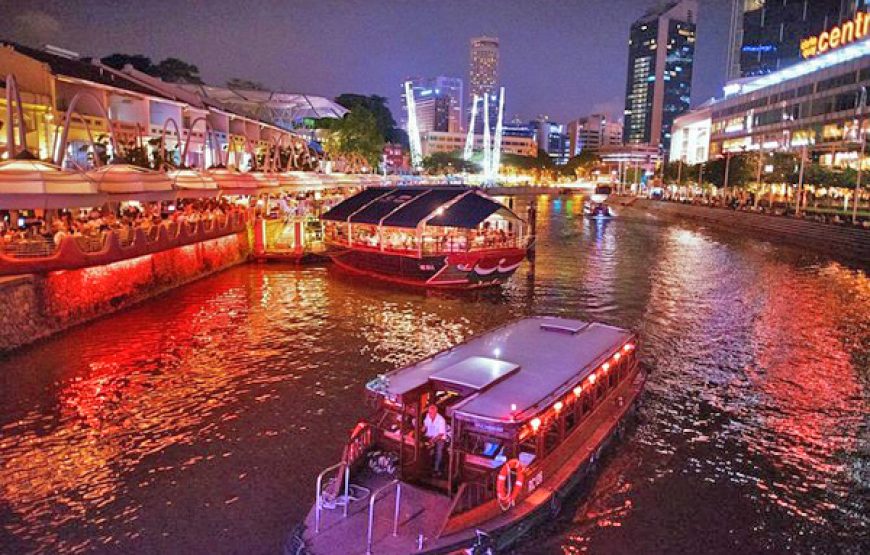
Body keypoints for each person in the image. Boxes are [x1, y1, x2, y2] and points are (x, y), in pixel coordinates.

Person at [423, 403, 447, 476]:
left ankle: (436, 469)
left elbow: (441, 434)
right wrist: (421, 429)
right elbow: (425, 426)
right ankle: (425, 467)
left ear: (436, 412)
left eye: (432, 413)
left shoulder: (441, 420)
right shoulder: (428, 416)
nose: (430, 414)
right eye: (429, 412)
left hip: (439, 438)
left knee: (439, 452)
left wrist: (432, 441)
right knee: (422, 448)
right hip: (429, 436)